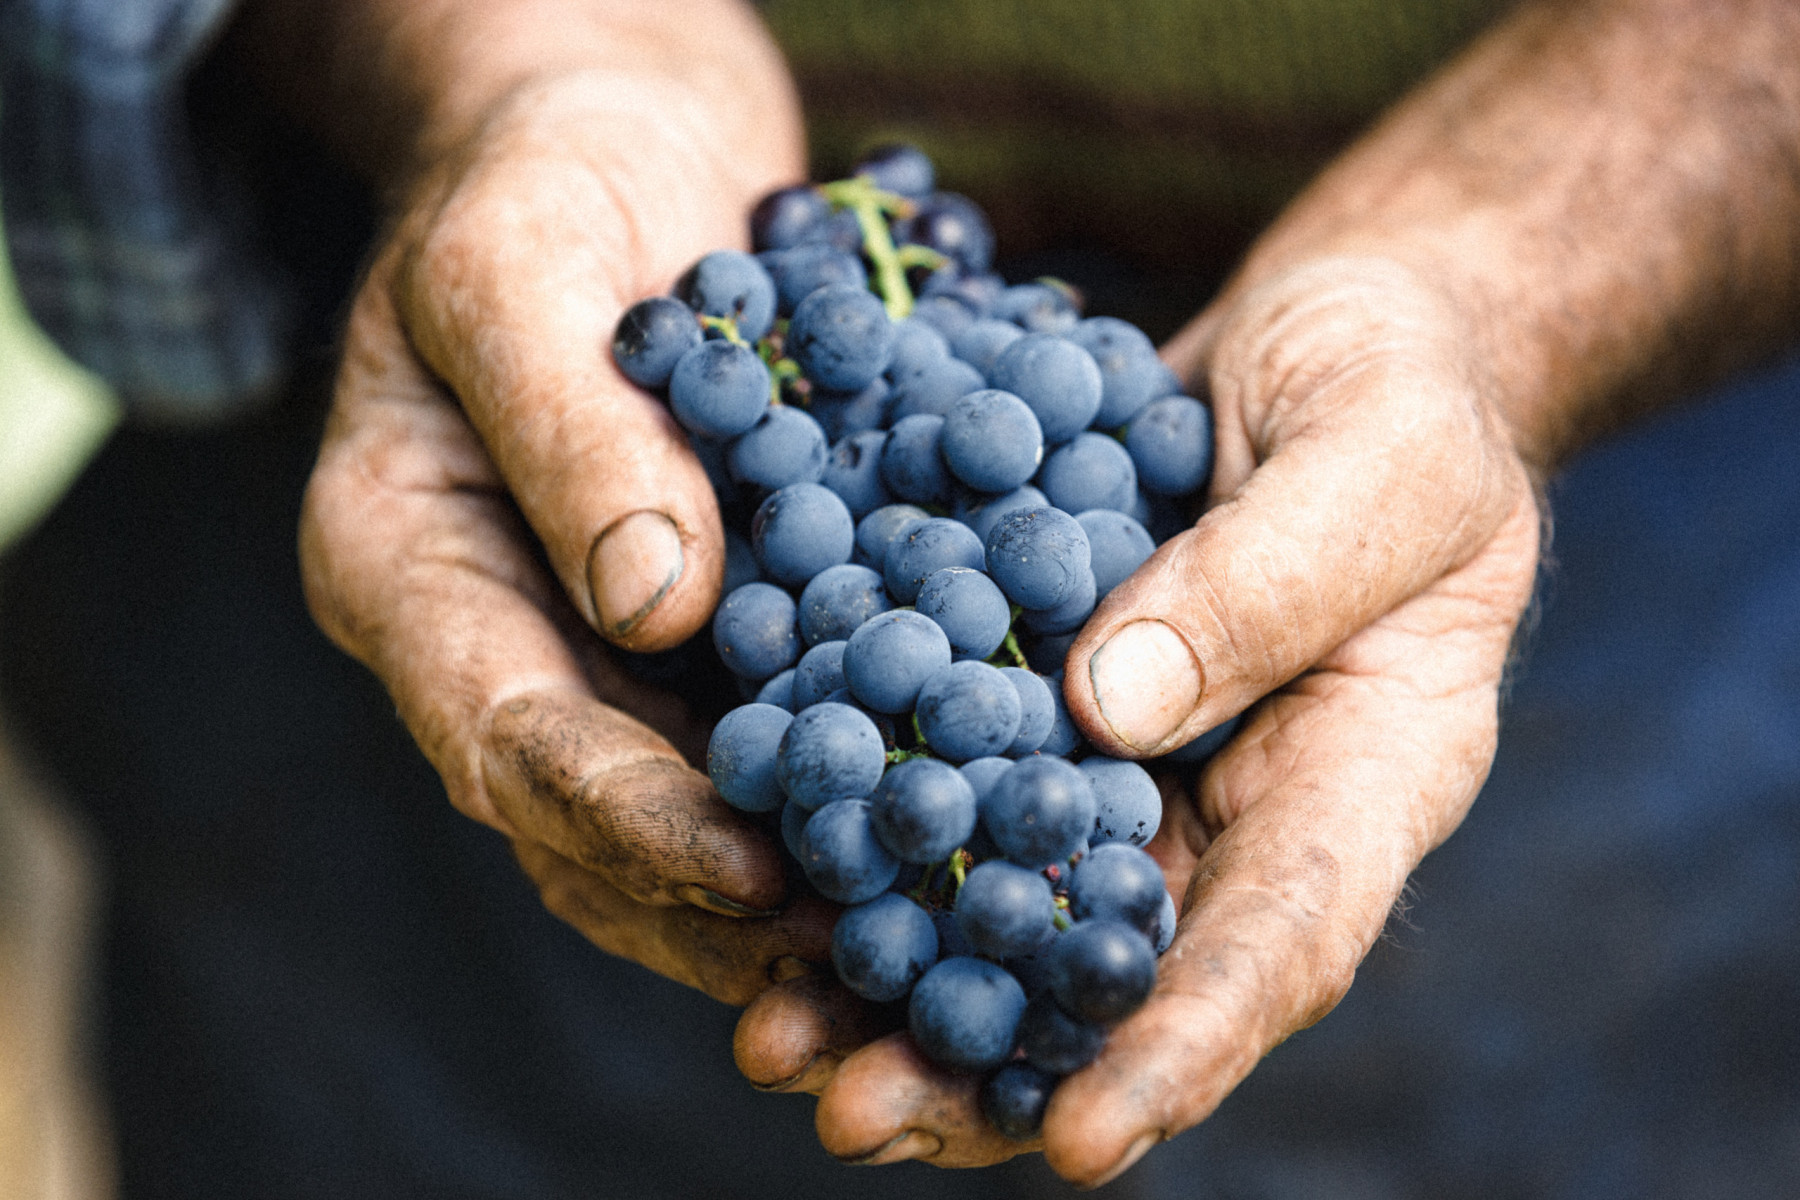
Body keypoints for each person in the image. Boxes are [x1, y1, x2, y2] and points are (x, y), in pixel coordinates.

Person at [2, 0, 1796, 1193]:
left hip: (1616, 460)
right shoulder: (751, 367)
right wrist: (515, 53)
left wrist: (1498, 288)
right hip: (474, 328)